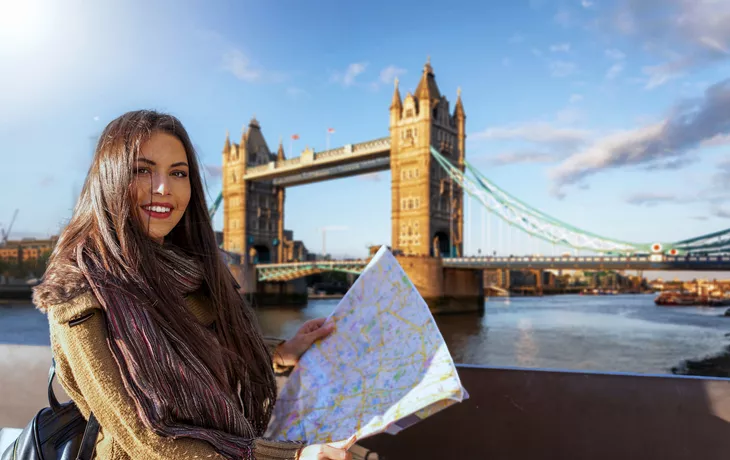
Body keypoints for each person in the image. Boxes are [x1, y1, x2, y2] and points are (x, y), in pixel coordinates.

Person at [32, 110, 351, 460]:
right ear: (110, 176)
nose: (164, 188)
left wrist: (282, 351)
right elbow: (144, 439)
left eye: (178, 173)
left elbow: (206, 347)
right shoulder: (80, 286)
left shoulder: (190, 269)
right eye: (142, 170)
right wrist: (291, 457)